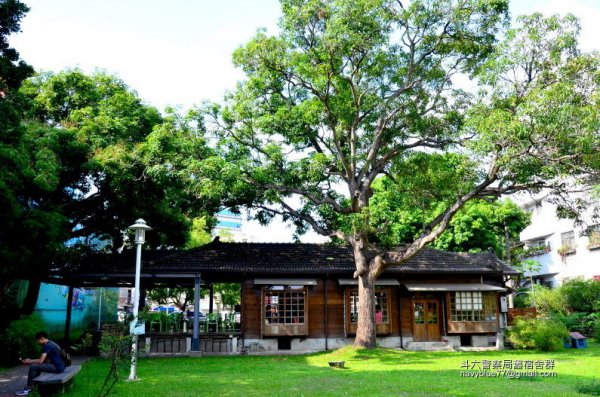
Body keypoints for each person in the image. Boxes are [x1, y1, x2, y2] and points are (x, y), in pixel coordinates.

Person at [16, 331, 65, 396]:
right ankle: (35, 384)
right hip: (61, 366)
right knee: (37, 366)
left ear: (42, 338)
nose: (38, 342)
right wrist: (30, 360)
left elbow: (40, 361)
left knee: (33, 366)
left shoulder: (47, 346)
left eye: (38, 340)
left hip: (57, 367)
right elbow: (44, 360)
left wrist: (29, 361)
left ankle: (29, 388)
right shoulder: (52, 343)